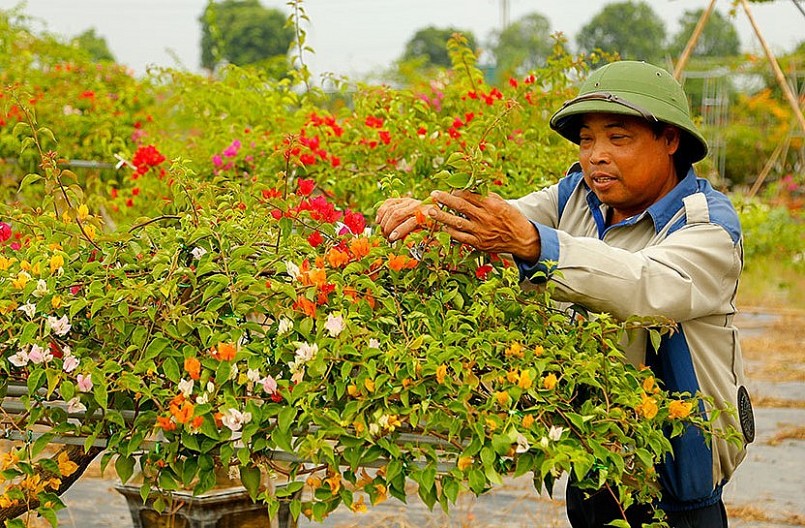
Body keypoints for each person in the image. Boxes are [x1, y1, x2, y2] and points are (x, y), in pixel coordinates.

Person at [375, 61, 754, 527]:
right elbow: (505, 219)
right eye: (586, 140)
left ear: (670, 140)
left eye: (618, 138)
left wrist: (535, 244)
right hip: (593, 465)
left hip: (674, 491)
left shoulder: (708, 226)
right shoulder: (575, 196)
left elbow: (643, 284)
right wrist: (431, 216)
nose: (596, 156)